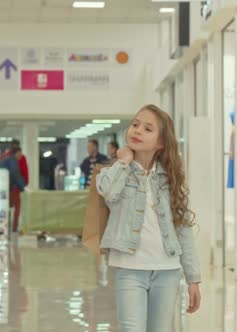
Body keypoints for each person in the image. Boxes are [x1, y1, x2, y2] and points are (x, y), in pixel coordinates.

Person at [96, 105, 201, 331]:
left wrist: (193, 277)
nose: (137, 130)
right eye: (135, 124)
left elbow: (183, 230)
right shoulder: (114, 171)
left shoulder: (170, 179)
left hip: (167, 270)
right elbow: (108, 192)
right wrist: (122, 162)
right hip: (130, 268)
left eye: (147, 128)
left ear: (161, 142)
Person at [0, 147, 26, 232]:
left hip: (5, 187)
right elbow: (15, 174)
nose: (21, 156)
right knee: (16, 207)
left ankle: (6, 226)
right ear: (16, 153)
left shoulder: (7, 159)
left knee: (7, 207)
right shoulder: (13, 160)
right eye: (20, 154)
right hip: (12, 188)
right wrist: (23, 186)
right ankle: (13, 228)